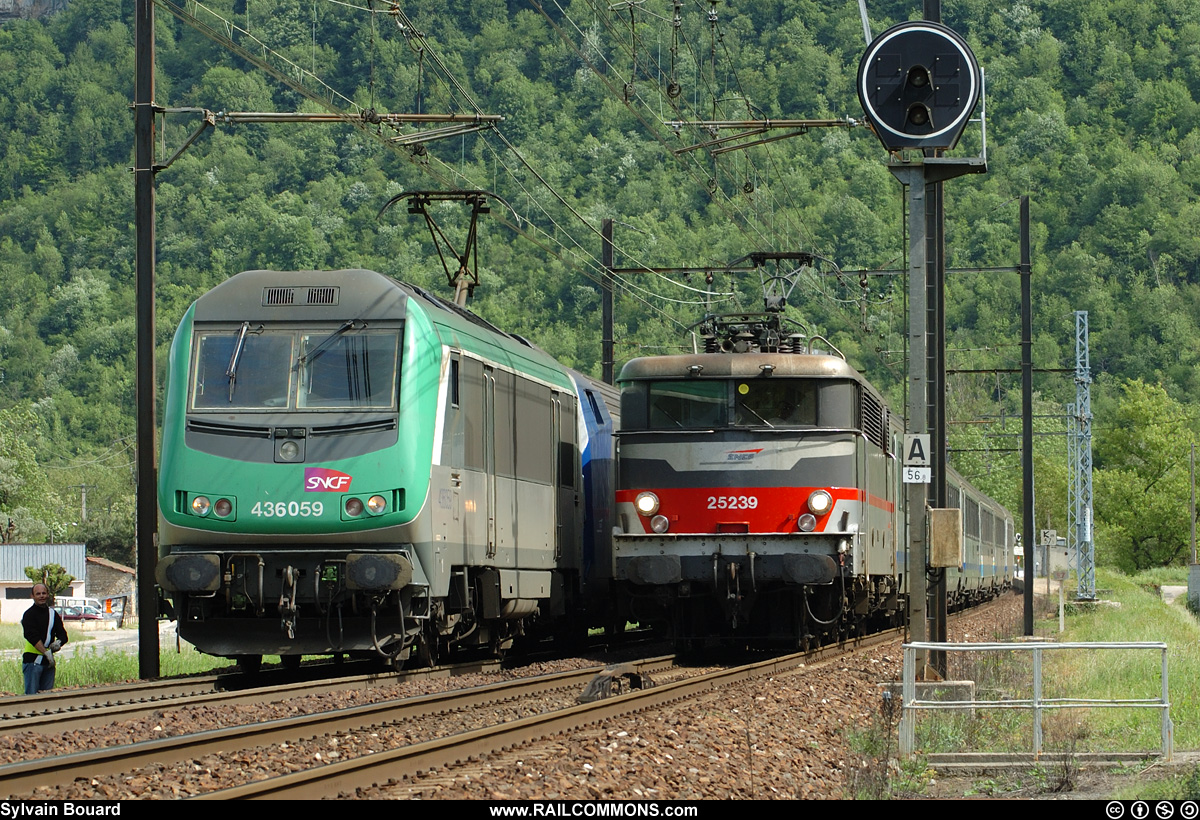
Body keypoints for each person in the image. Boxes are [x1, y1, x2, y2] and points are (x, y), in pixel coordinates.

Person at [21, 583, 68, 696]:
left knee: (46, 696)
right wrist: (45, 652)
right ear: (32, 596)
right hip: (33, 661)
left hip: (48, 662)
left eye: (44, 593)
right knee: (32, 696)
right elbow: (32, 636)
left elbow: (63, 634)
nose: (41, 596)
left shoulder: (52, 614)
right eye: (38, 594)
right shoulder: (29, 615)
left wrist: (59, 642)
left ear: (47, 595)